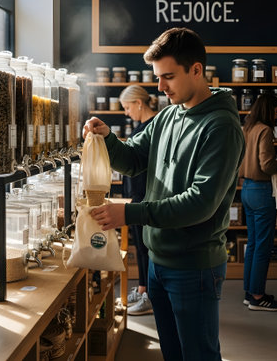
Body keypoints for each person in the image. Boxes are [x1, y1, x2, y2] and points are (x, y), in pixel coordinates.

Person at [83, 27, 245, 361]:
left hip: (194, 266)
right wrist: (107, 139)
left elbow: (200, 202)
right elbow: (133, 159)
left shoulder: (221, 127)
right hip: (157, 262)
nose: (160, 87)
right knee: (172, 353)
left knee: (198, 355)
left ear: (196, 70)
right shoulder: (169, 115)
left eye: (168, 76)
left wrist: (129, 214)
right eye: (157, 77)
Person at [238, 94, 277, 312]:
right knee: (263, 245)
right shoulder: (265, 130)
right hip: (261, 191)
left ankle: (251, 292)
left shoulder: (246, 129)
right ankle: (258, 296)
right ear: (269, 111)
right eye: (276, 112)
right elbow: (267, 165)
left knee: (253, 243)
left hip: (246, 190)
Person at [120, 85, 156, 316]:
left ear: (139, 103)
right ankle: (144, 288)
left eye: (127, 107)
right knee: (140, 247)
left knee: (146, 248)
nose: (126, 112)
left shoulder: (153, 126)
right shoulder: (141, 126)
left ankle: (150, 296)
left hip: (145, 196)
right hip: (136, 195)